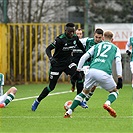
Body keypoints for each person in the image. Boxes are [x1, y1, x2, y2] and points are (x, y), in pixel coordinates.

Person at [64, 31, 123, 118]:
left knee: (84, 92)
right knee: (115, 91)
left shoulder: (96, 45)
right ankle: (107, 104)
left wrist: (78, 70)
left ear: (103, 38)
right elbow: (118, 61)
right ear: (112, 39)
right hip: (104, 72)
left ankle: (69, 112)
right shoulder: (115, 48)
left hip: (92, 70)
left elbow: (84, 57)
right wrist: (119, 77)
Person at [31, 23, 87, 111]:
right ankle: (37, 101)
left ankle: (79, 99)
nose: (71, 33)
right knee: (51, 87)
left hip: (68, 63)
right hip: (57, 65)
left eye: (73, 31)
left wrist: (86, 53)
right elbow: (48, 49)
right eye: (69, 32)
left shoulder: (75, 38)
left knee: (79, 77)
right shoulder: (60, 39)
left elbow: (80, 45)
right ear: (66, 31)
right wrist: (51, 58)